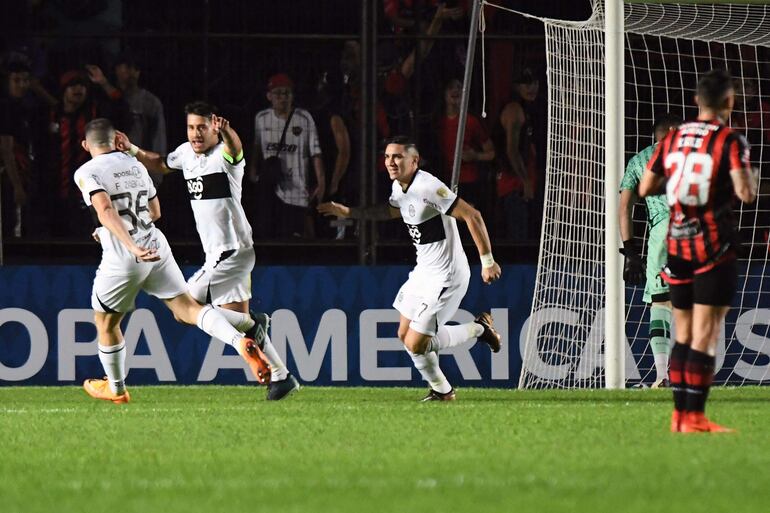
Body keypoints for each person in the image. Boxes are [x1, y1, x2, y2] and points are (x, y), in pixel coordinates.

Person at [74, 118, 271, 403]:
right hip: (156, 244)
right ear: (114, 139)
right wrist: (133, 237)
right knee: (187, 310)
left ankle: (116, 389)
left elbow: (104, 208)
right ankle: (242, 338)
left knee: (106, 323)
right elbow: (154, 211)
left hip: (125, 255)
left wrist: (128, 243)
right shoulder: (135, 165)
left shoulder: (87, 171)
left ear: (85, 145)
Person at [115, 101, 299, 400]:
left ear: (213, 127)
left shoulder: (224, 157)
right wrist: (132, 149)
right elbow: (161, 163)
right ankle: (282, 376)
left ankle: (254, 323)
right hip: (219, 253)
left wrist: (227, 131)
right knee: (236, 322)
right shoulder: (187, 154)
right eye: (191, 127)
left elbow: (236, 148)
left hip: (232, 252)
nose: (195, 134)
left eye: (202, 127)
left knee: (182, 308)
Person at [318, 136, 502, 401]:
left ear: (414, 161)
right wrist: (348, 212)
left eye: (398, 157)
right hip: (424, 271)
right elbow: (391, 211)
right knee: (405, 335)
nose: (391, 162)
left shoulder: (428, 186)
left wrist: (487, 261)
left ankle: (472, 341)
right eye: (387, 156)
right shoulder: (399, 186)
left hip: (447, 275)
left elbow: (473, 216)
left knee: (417, 343)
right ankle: (445, 385)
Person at [639, 69, 757, 433]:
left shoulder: (673, 139)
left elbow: (645, 186)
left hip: (676, 243)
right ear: (730, 102)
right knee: (704, 334)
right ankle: (694, 416)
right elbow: (746, 194)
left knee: (685, 333)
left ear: (696, 102)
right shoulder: (729, 140)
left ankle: (679, 417)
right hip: (711, 245)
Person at [619, 113, 682, 388]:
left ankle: (662, 375)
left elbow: (624, 208)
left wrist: (631, 251)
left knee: (661, 303)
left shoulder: (639, 160)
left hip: (662, 234)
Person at [47, 66, 129, 237]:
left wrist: (104, 83)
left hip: (89, 190)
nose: (78, 89)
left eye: (82, 85)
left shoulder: (94, 113)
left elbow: (122, 108)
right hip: (55, 189)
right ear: (64, 90)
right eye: (73, 86)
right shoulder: (50, 115)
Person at [249, 73, 325, 239]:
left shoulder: (304, 119)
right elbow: (256, 145)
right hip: (270, 189)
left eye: (286, 93)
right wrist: (253, 169)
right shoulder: (262, 118)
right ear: (269, 96)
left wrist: (321, 181)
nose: (283, 98)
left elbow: (315, 152)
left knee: (296, 237)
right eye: (278, 93)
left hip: (296, 191)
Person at [493, 68, 540, 241]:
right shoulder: (514, 110)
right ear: (516, 86)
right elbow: (511, 150)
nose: (531, 87)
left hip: (519, 185)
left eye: (534, 82)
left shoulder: (526, 110)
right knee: (518, 238)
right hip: (513, 186)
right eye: (526, 83)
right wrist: (525, 180)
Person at [436, 77, 495, 211]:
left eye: (459, 87)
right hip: (443, 183)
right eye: (451, 87)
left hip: (468, 183)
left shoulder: (470, 121)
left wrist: (475, 156)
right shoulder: (437, 123)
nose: (456, 90)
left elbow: (491, 153)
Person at [112, 52, 167, 180]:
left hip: (140, 171)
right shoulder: (107, 101)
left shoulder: (150, 102)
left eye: (134, 68)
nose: (130, 73)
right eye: (126, 68)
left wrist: (156, 173)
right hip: (113, 171)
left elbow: (158, 139)